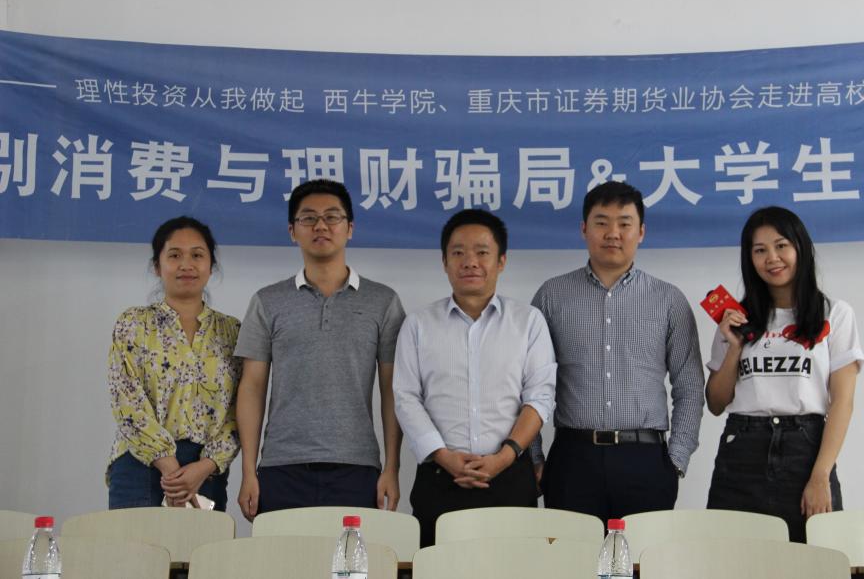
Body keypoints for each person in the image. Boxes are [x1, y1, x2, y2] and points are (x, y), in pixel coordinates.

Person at [531, 181, 705, 521]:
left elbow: (690, 386)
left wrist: (676, 461)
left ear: (641, 232)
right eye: (602, 222)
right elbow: (530, 384)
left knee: (643, 553)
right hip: (573, 459)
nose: (613, 233)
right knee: (573, 553)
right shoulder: (551, 296)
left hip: (646, 461)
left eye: (624, 223)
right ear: (584, 229)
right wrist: (535, 457)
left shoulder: (668, 300)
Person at [234, 179, 405, 520]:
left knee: (351, 557)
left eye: (332, 217)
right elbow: (252, 387)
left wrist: (392, 467)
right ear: (292, 231)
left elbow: (392, 389)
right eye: (309, 218)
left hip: (357, 467)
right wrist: (248, 471)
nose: (321, 226)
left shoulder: (383, 301)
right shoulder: (267, 301)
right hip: (281, 467)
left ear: (350, 228)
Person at [393, 209, 556, 547]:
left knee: (513, 568)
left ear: (501, 261)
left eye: (482, 252)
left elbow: (540, 396)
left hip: (510, 475)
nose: (470, 262)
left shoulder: (528, 322)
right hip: (440, 479)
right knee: (437, 567)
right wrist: (444, 456)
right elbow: (406, 397)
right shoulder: (419, 325)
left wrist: (504, 457)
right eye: (458, 253)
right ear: (444, 262)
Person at [705, 206, 863, 543]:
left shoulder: (834, 313)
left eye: (781, 246)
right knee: (731, 560)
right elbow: (716, 403)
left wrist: (820, 475)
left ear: (800, 248)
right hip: (742, 449)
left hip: (805, 450)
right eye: (759, 250)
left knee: (815, 558)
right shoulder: (736, 319)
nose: (772, 258)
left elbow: (843, 403)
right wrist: (734, 347)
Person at [107, 216, 241, 511]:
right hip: (141, 465)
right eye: (175, 255)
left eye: (197, 255)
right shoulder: (134, 323)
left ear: (211, 266)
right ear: (157, 266)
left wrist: (206, 465)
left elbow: (240, 410)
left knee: (201, 545)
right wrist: (169, 466)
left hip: (205, 473)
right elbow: (126, 399)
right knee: (137, 544)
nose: (186, 265)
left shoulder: (233, 332)